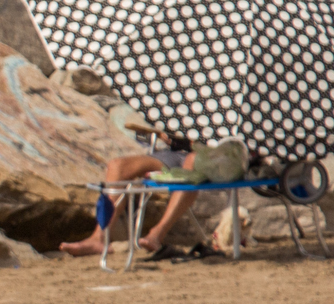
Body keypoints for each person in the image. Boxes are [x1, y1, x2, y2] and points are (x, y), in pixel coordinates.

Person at [57, 111, 243, 259]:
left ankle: (156, 234)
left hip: (210, 157)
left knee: (191, 164)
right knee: (117, 166)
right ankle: (99, 237)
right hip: (173, 154)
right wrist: (166, 132)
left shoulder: (226, 103)